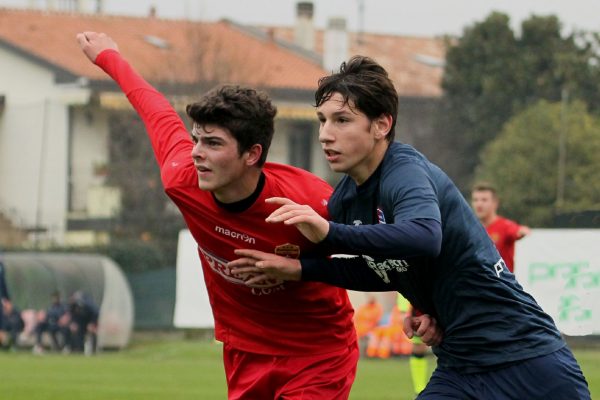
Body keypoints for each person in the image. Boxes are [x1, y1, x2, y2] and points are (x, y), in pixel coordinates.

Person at [76, 32, 441, 399]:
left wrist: (424, 305)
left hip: (317, 354)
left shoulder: (310, 203)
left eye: (213, 143)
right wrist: (109, 56)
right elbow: (153, 108)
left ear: (252, 154)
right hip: (244, 353)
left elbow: (391, 254)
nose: (197, 153)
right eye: (197, 140)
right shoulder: (181, 178)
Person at [228, 55, 591, 399]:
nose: (325, 134)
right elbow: (379, 270)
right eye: (322, 120)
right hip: (461, 367)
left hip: (528, 361)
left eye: (341, 120)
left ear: (382, 125)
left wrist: (329, 233)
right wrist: (300, 269)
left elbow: (424, 236)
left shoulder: (404, 171)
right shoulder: (346, 200)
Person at [471, 182, 530, 272]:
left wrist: (521, 231)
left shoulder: (505, 226)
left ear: (495, 203)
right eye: (475, 200)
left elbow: (516, 231)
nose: (479, 204)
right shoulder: (470, 228)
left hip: (500, 284)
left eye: (484, 200)